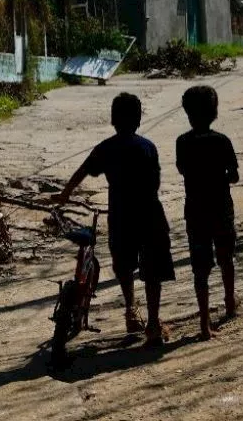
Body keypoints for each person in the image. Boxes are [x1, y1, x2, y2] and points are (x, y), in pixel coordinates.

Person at [54, 92, 174, 345]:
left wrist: (64, 195)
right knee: (152, 271)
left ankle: (131, 308)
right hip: (149, 214)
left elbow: (82, 171)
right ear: (139, 119)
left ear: (113, 119)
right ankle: (153, 323)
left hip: (121, 216)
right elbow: (155, 183)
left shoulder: (105, 148)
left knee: (124, 265)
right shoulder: (147, 147)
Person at [176, 84, 239, 340]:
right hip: (221, 207)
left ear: (188, 114)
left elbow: (182, 170)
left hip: (196, 210)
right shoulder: (222, 141)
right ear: (214, 112)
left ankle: (204, 322)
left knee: (200, 269)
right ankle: (229, 301)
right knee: (226, 258)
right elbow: (233, 175)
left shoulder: (182, 142)